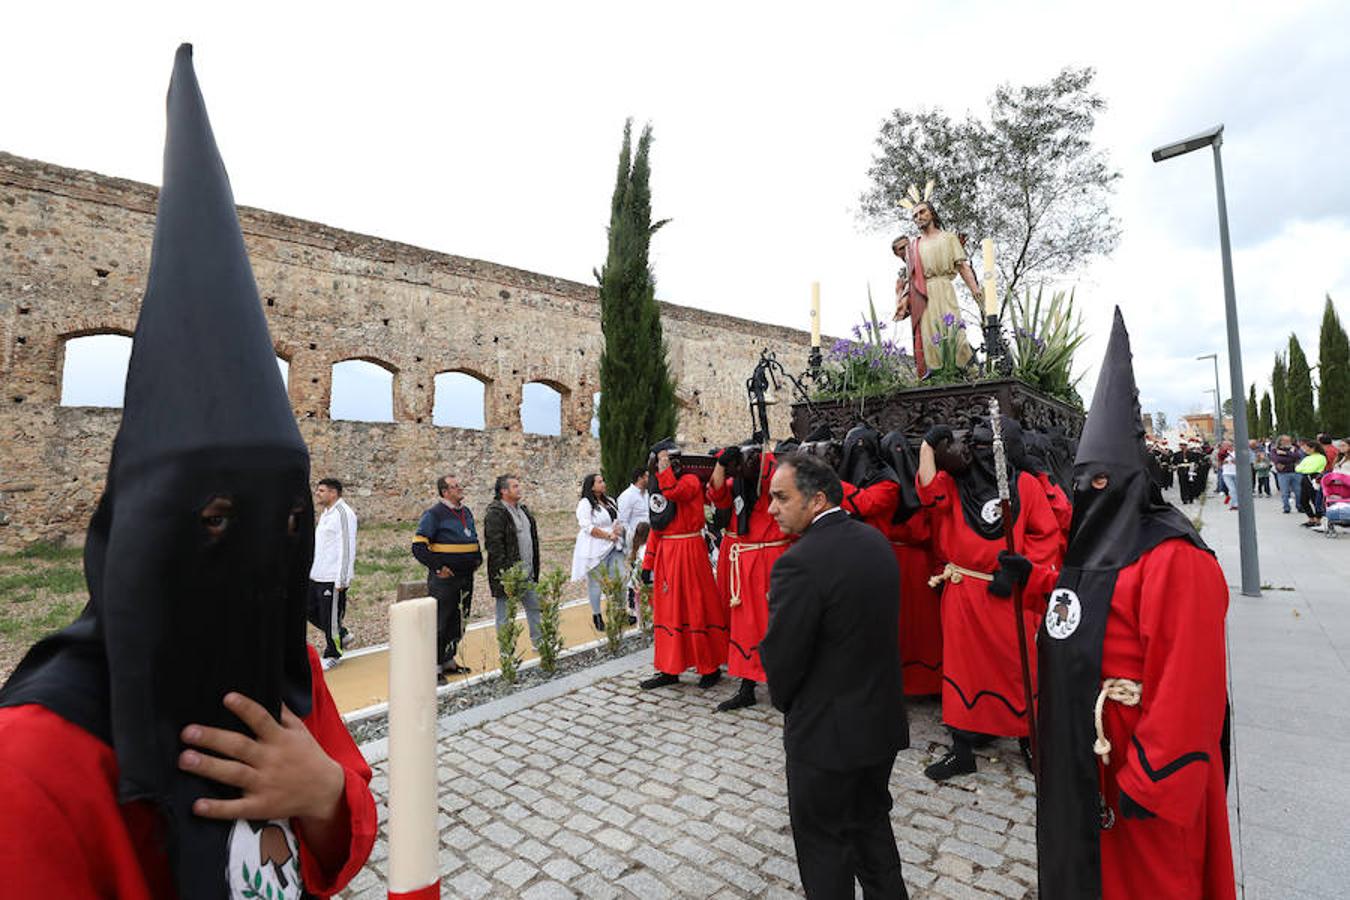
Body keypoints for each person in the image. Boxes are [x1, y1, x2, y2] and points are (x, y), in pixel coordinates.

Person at [0, 45, 376, 897]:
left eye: (281, 522)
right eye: (213, 520)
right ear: (142, 524)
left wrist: (319, 793)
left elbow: (345, 826)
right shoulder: (33, 758)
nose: (254, 551)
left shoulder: (284, 673)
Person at [1036, 308, 1234, 900]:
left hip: (1138, 765)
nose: (1086, 494)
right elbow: (1076, 616)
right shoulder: (1086, 548)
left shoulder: (1176, 559)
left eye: (1101, 482)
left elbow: (1190, 682)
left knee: (1152, 881)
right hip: (1085, 755)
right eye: (1081, 481)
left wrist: (1153, 779)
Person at [760, 452, 910, 899]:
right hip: (879, 726)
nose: (771, 508)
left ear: (818, 498)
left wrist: (792, 705)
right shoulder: (876, 543)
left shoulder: (799, 562)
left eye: (781, 497)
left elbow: (782, 659)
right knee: (872, 836)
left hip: (826, 737)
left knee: (825, 850)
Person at [917, 416, 1063, 780]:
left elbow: (1045, 535)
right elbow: (928, 492)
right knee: (963, 670)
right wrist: (927, 446)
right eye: (972, 445)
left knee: (1018, 667)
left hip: (1007, 594)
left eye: (983, 447)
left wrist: (1020, 569)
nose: (973, 453)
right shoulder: (953, 484)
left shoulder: (1025, 485)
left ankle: (1030, 741)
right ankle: (962, 748)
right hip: (964, 592)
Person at [706, 442, 792, 712]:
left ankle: (785, 684)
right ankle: (747, 686)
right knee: (745, 624)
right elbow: (716, 493)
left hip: (772, 557)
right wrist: (722, 464)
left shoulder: (774, 478)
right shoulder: (738, 485)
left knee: (776, 621)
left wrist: (762, 459)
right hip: (745, 561)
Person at [639, 440, 730, 689]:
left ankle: (709, 667)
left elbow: (674, 493)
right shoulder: (660, 487)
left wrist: (664, 470)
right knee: (668, 611)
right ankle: (669, 668)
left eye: (666, 461)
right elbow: (657, 527)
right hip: (668, 553)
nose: (663, 466)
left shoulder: (691, 481)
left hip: (690, 552)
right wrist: (648, 562)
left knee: (696, 608)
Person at [892, 195, 981, 377]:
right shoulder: (914, 246)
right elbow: (910, 278)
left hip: (944, 288)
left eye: (922, 212)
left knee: (955, 333)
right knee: (930, 339)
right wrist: (901, 298)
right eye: (915, 215)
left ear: (931, 213)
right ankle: (937, 378)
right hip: (923, 295)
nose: (919, 217)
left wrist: (975, 290)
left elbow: (963, 266)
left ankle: (967, 374)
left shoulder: (948, 238)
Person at [412, 474, 482, 680]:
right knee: (440, 621)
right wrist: (438, 567)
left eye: (459, 485)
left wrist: (477, 559)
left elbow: (472, 536)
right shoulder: (434, 514)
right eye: (455, 486)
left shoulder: (466, 512)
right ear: (445, 492)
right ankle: (433, 667)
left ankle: (448, 659)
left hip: (465, 576)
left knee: (460, 618)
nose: (460, 489)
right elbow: (418, 546)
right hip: (445, 579)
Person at [483, 474, 542, 649]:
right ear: (504, 491)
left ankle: (539, 643)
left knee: (535, 607)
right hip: (509, 576)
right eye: (515, 486)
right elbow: (494, 546)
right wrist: (506, 575)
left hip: (528, 573)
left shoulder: (523, 510)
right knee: (505, 615)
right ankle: (506, 650)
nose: (519, 489)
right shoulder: (496, 514)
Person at [309, 477, 357, 670]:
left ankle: (333, 653)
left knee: (330, 617)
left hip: (333, 578)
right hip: (316, 575)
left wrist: (343, 578)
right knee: (308, 609)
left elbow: (347, 547)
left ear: (333, 493)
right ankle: (342, 634)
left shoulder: (344, 514)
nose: (317, 494)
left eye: (321, 490)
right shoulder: (327, 513)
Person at [571, 473, 625, 631]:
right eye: (600, 482)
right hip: (595, 549)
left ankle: (620, 611)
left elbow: (618, 519)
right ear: (592, 486)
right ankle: (597, 615)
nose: (603, 484)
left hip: (614, 546)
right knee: (596, 584)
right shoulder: (585, 504)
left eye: (603, 480)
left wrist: (618, 530)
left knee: (620, 578)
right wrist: (608, 535)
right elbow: (586, 526)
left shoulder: (610, 501)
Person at [616, 466, 650, 553]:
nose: (650, 479)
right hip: (635, 540)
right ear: (640, 478)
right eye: (647, 476)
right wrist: (632, 538)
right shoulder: (627, 496)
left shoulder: (648, 495)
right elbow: (623, 521)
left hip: (649, 538)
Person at [1296, 439, 1328, 527]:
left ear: (1313, 448)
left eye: (1306, 448)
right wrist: (1304, 469)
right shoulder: (1307, 458)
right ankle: (1311, 518)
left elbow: (1311, 469)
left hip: (1314, 478)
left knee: (1315, 500)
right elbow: (1297, 468)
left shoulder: (1321, 457)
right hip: (1305, 478)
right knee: (1303, 500)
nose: (1305, 449)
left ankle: (1318, 519)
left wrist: (1304, 468)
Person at [1271, 435, 1302, 513]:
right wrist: (1290, 457)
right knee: (1284, 492)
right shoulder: (1275, 450)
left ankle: (1299, 506)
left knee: (1298, 491)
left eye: (1289, 440)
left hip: (1296, 472)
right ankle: (1286, 507)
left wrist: (1285, 453)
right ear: (1281, 441)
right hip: (1283, 473)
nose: (1288, 442)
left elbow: (1298, 456)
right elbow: (1277, 459)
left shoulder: (1294, 448)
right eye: (1286, 440)